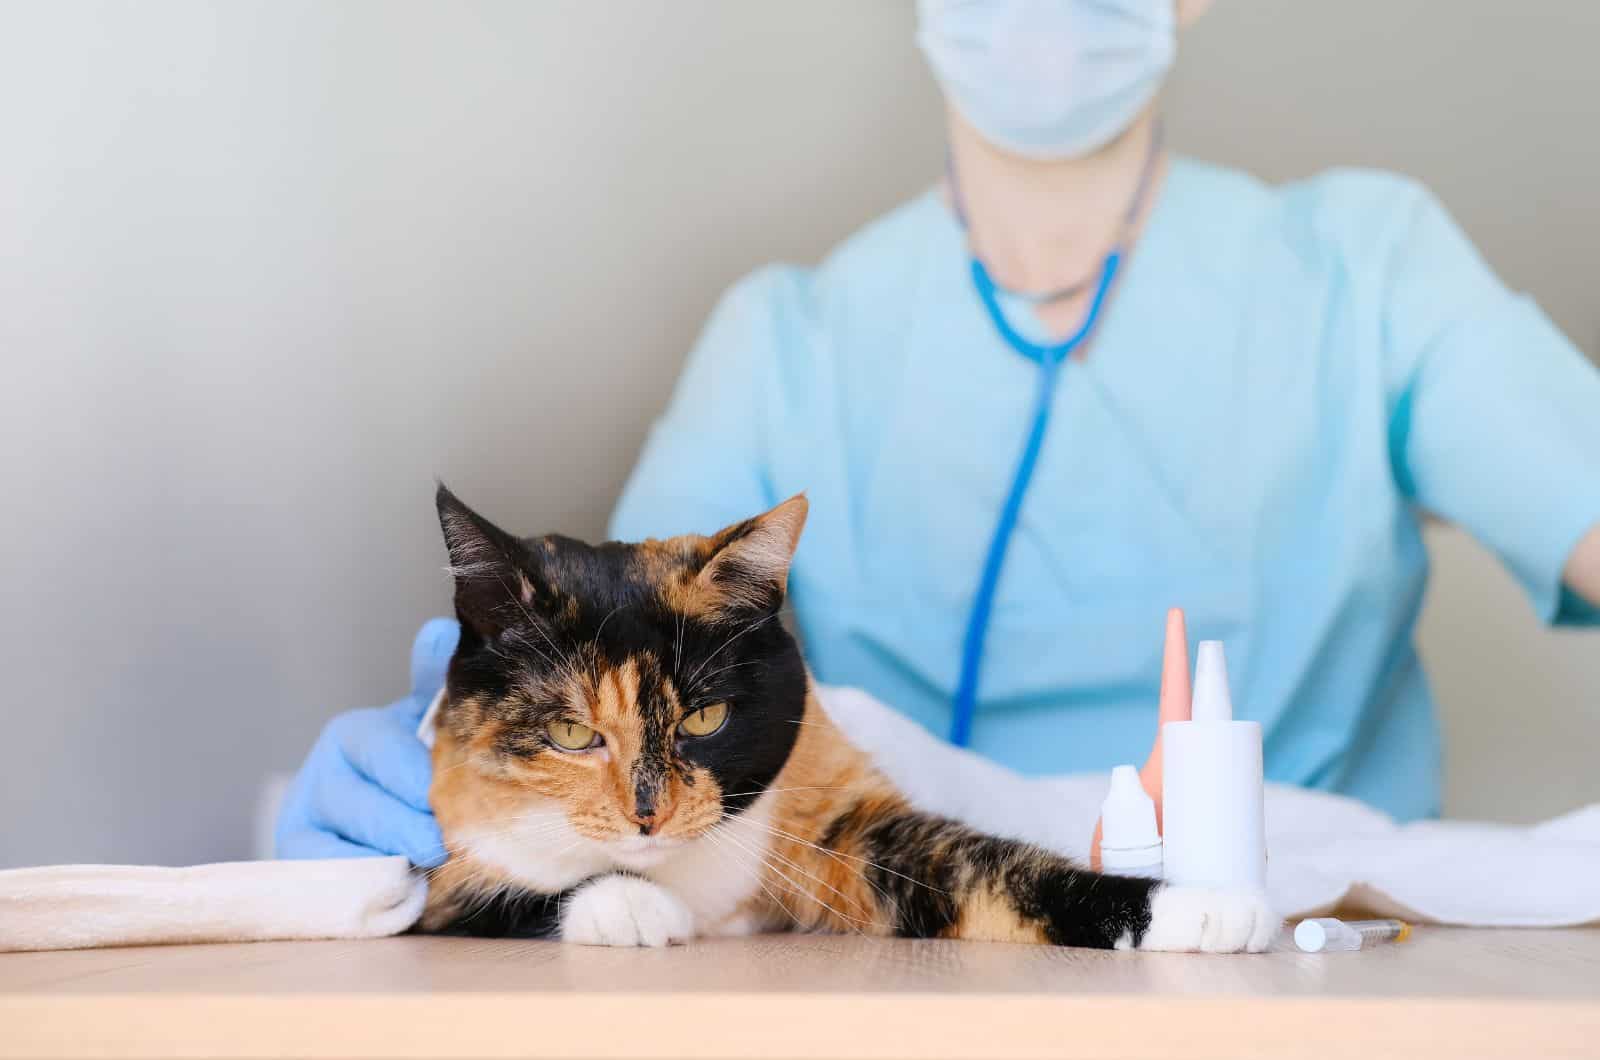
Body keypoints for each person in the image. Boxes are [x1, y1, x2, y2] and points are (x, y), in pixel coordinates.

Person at [277, 0, 1600, 867]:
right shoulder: (788, 340)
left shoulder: (1369, 274)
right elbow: (624, 681)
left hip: (1295, 958)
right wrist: (444, 764)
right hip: (899, 940)